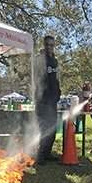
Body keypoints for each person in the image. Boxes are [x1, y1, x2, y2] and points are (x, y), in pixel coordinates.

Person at [35, 35, 61, 165]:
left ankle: (47, 153)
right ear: (44, 45)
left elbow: (55, 79)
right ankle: (40, 155)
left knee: (52, 128)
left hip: (53, 101)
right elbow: (39, 80)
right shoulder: (40, 60)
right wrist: (46, 94)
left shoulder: (54, 61)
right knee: (44, 128)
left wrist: (58, 93)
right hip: (43, 101)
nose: (49, 47)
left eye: (51, 45)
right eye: (47, 45)